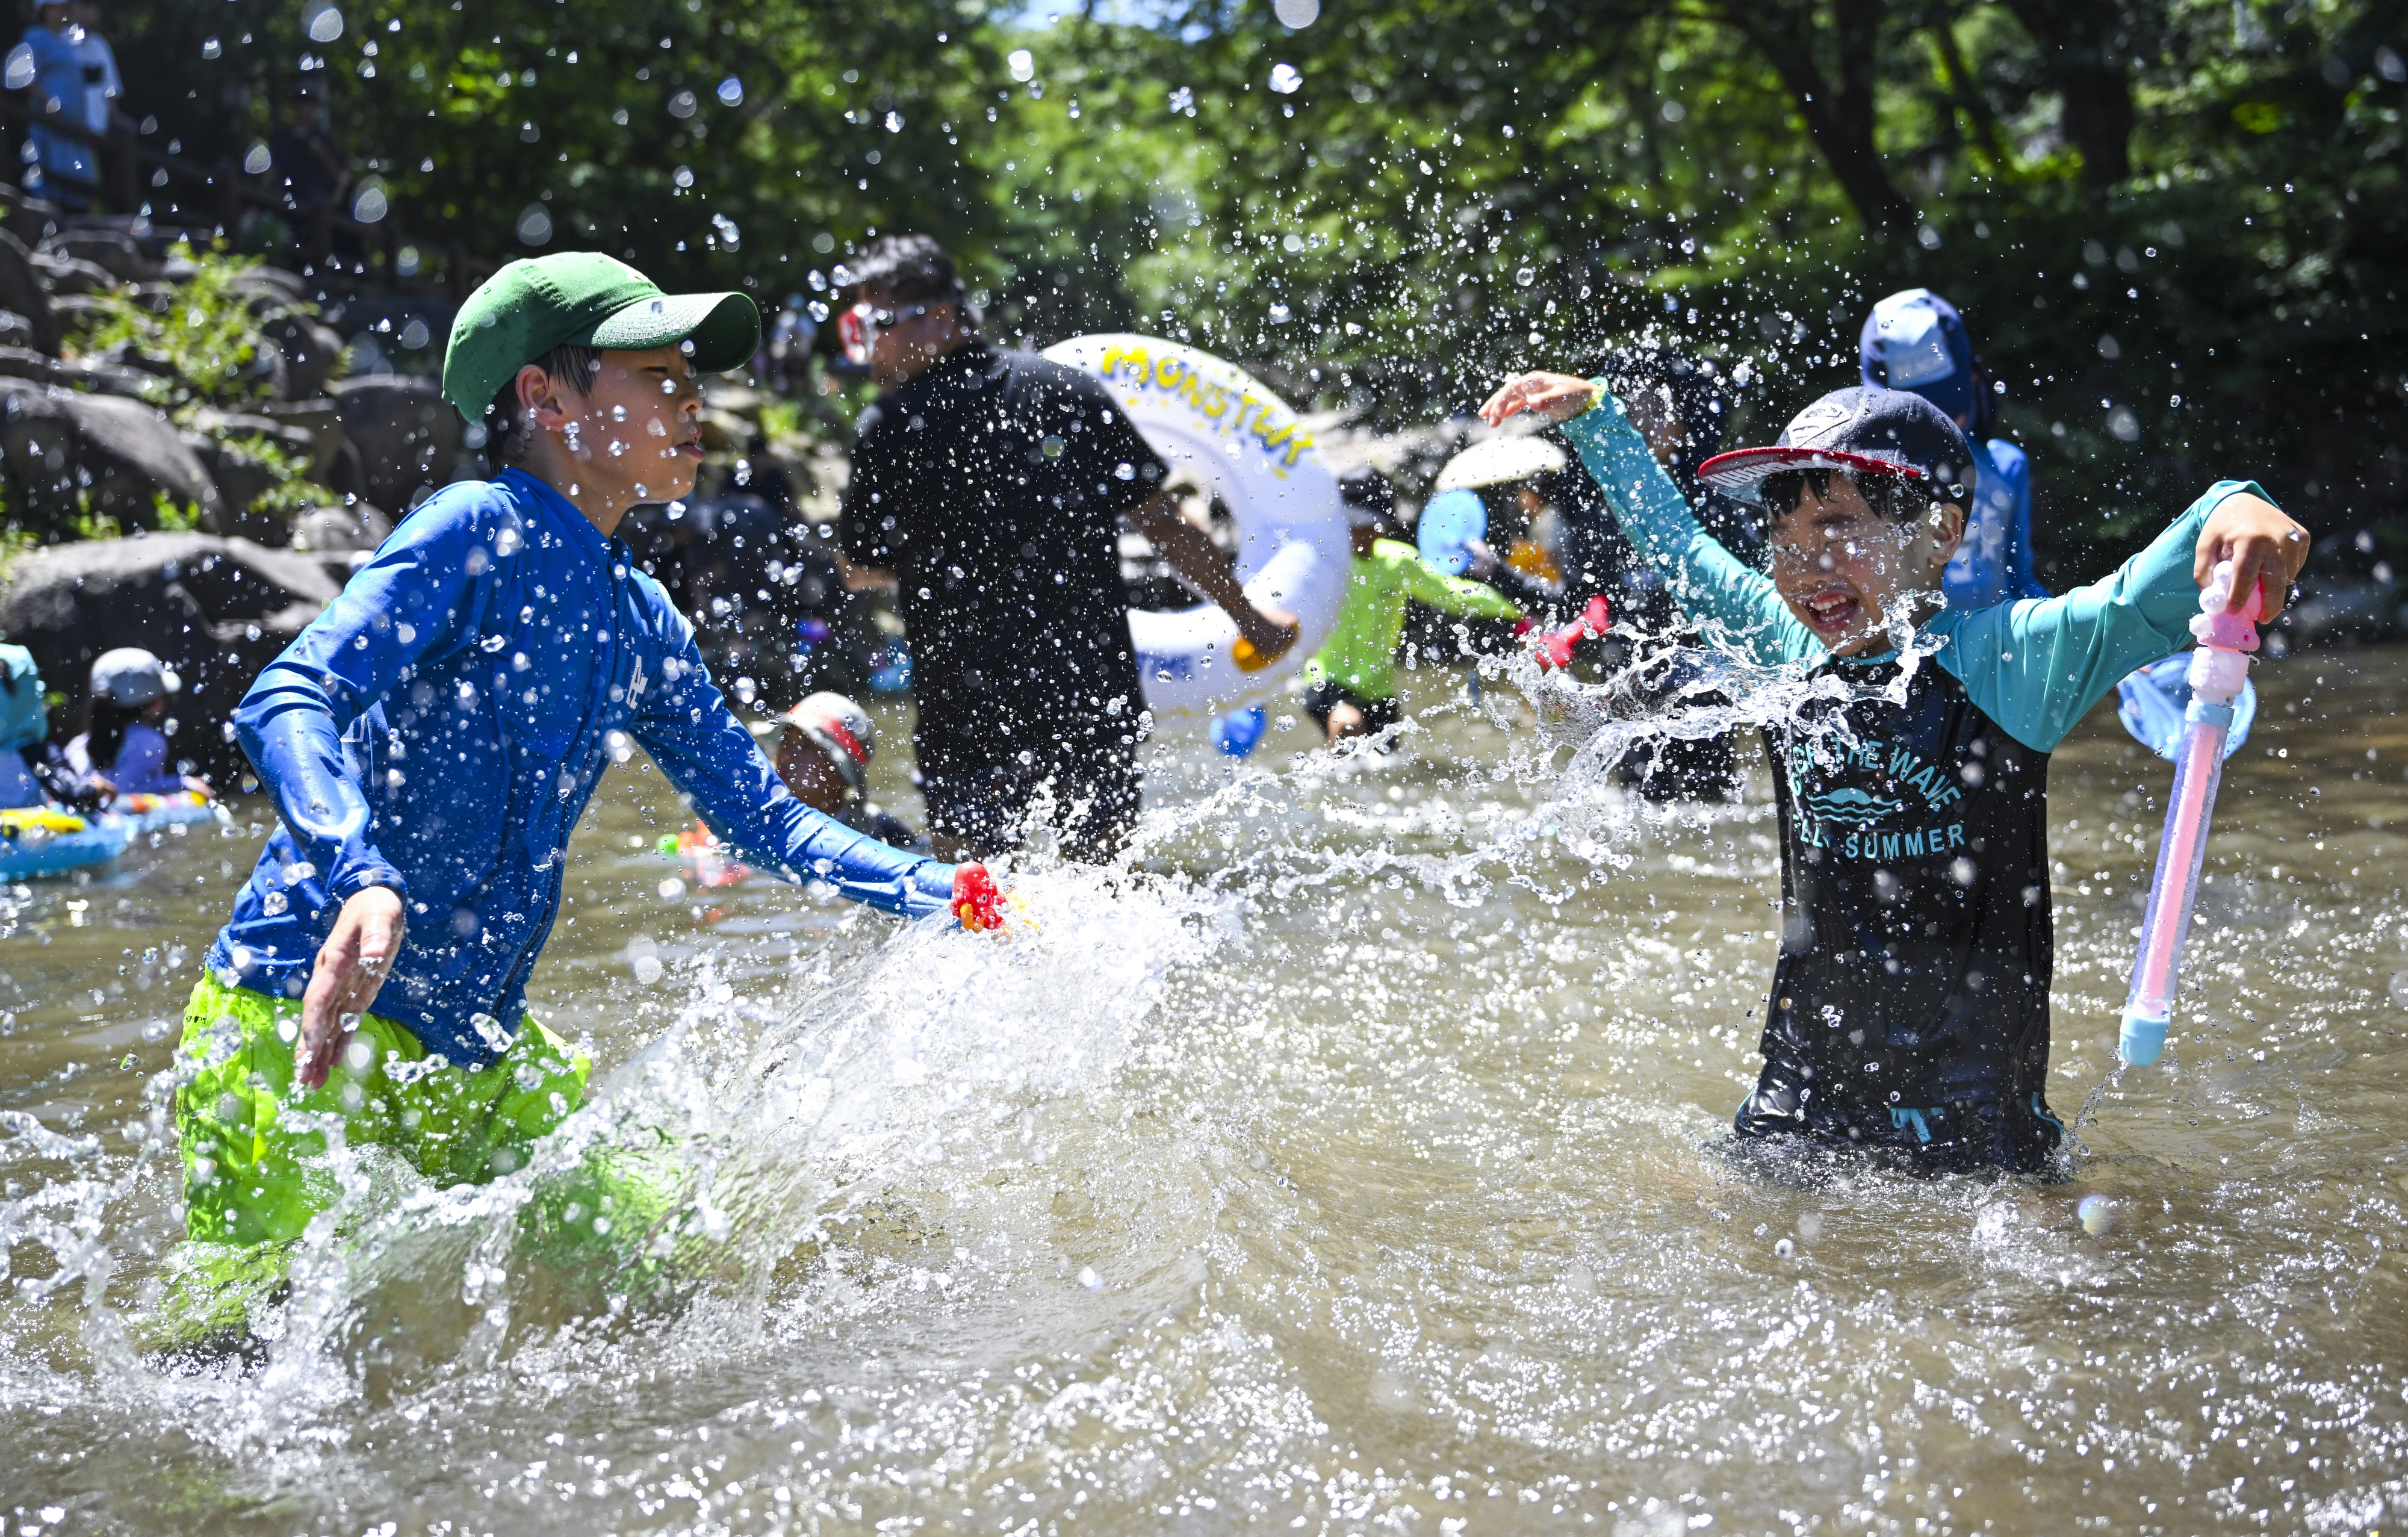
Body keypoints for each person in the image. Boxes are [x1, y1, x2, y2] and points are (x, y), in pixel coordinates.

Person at [172, 252, 1001, 1278]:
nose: (692, 399)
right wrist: (361, 876)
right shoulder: (472, 528)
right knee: (240, 1349)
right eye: (657, 376)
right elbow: (289, 696)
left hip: (473, 1058)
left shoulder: (639, 613)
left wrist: (951, 892)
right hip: (296, 1014)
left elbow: (766, 821)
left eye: (690, 378)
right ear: (546, 397)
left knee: (667, 1268)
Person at [1482, 369, 2309, 1172]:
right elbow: (1682, 548)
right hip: (1800, 1095)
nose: (1804, 564)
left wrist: (2238, 505)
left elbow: (2138, 601)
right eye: (1783, 535)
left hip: (1972, 1117)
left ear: (1942, 533)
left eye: (1838, 525)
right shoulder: (1783, 648)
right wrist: (1596, 417)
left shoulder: (2008, 663)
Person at [832, 234, 1298, 862]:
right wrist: (1251, 622)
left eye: (878, 324)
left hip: (967, 708)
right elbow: (1162, 524)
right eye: (860, 325)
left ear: (940, 317)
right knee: (1105, 880)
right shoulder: (1062, 391)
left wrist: (949, 557)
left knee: (973, 898)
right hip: (1085, 687)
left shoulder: (887, 428)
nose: (868, 345)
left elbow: (858, 569)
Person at [1300, 466, 1525, 748]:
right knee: (1348, 725)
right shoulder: (1323, 563)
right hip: (1327, 678)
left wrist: (1516, 609)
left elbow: (1453, 594)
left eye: (1367, 525)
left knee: (1384, 763)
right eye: (1352, 525)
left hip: (1378, 687)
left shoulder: (1400, 562)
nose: (1359, 533)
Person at [1858, 290, 2041, 610]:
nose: (1937, 434)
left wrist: (2087, 638)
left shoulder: (2007, 468)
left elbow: (2022, 584)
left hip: (1996, 654)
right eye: (1914, 422)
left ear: (1973, 380)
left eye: (1945, 415)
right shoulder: (1851, 486)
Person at [66, 647, 211, 800]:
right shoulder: (150, 742)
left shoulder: (76, 747)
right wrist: (183, 784)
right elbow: (126, 793)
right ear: (154, 701)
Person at [16, 1, 96, 209]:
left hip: (73, 131)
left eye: (64, 8)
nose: (62, 12)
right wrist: (47, 102)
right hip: (51, 127)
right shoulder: (35, 36)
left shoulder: (68, 42)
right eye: (57, 7)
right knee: (51, 189)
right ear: (45, 11)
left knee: (75, 189)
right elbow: (22, 73)